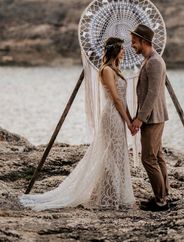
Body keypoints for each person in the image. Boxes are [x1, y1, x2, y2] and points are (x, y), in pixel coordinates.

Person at [19, 37, 135, 211]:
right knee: (111, 155)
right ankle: (107, 196)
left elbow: (123, 100)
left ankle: (110, 193)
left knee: (117, 156)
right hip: (112, 116)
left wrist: (130, 118)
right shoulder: (107, 71)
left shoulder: (116, 70)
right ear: (115, 50)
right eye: (122, 49)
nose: (124, 52)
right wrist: (128, 121)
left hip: (119, 116)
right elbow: (116, 99)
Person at [130, 24, 170, 212]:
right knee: (158, 156)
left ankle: (161, 201)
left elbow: (153, 93)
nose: (132, 45)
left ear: (144, 41)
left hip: (153, 118)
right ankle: (163, 195)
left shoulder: (154, 61)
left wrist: (140, 118)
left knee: (148, 158)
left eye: (134, 42)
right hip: (155, 116)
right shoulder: (151, 59)